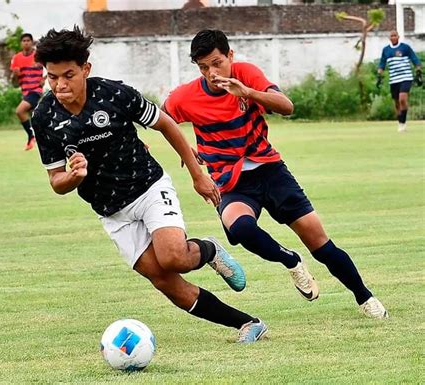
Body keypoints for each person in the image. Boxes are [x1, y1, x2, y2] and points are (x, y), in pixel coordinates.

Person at [32, 26, 267, 343]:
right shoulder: (44, 116)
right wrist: (73, 176)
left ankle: (209, 249)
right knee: (164, 280)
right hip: (112, 212)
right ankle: (248, 324)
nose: (60, 85)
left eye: (68, 75)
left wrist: (197, 175)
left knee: (173, 257)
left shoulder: (114, 94)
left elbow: (165, 123)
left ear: (86, 69)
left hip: (148, 187)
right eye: (52, 77)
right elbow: (56, 182)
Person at [163, 29, 388, 319]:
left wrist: (247, 92)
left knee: (321, 245)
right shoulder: (186, 96)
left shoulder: (247, 73)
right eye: (203, 67)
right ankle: (290, 260)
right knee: (239, 228)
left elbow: (287, 107)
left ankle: (365, 297)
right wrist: (187, 152)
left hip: (271, 172)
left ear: (230, 55)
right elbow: (162, 121)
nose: (211, 72)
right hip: (232, 183)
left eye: (217, 63)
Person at [377, 30, 422, 133]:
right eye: (391, 36)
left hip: (406, 77)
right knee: (397, 103)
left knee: (402, 99)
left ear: (398, 37)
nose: (393, 37)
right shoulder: (386, 50)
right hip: (394, 79)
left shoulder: (405, 47)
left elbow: (415, 59)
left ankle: (403, 123)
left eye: (395, 36)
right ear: (389, 38)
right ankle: (400, 121)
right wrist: (379, 76)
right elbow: (382, 64)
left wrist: (418, 71)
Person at [10, 33, 45, 150]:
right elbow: (14, 83)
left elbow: (51, 69)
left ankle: (31, 136)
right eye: (24, 41)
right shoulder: (16, 58)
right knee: (40, 117)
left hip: (36, 91)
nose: (26, 43)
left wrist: (44, 79)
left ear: (32, 42)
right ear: (21, 43)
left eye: (28, 40)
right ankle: (36, 137)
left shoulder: (39, 56)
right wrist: (15, 75)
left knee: (20, 111)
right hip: (25, 92)